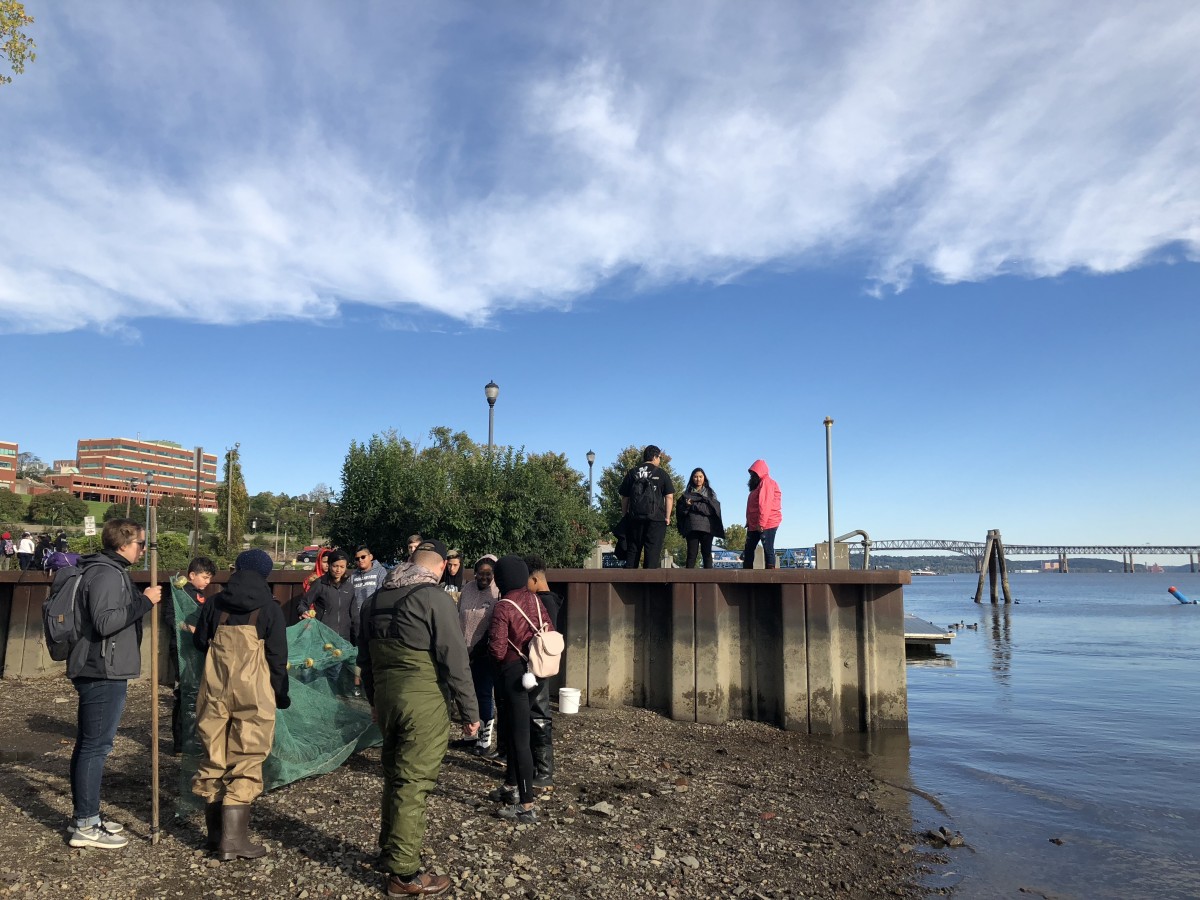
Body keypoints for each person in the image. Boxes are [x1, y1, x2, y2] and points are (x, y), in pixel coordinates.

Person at [358, 539, 479, 897]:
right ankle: (404, 875)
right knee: (413, 784)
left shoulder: (373, 600)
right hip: (422, 702)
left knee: (394, 776)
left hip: (387, 698)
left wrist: (375, 701)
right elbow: (455, 659)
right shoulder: (434, 598)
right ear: (440, 567)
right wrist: (470, 712)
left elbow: (364, 661)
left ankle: (389, 851)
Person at [66, 518, 162, 849]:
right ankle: (86, 825)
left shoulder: (109, 569)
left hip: (101, 668)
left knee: (89, 744)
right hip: (100, 670)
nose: (144, 549)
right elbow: (106, 622)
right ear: (123, 544)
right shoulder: (106, 573)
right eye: (140, 544)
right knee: (96, 747)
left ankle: (86, 816)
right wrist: (145, 601)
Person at [191, 549, 290, 860]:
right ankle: (233, 842)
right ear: (264, 574)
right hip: (254, 692)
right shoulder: (269, 608)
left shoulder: (215, 603)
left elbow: (199, 642)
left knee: (213, 753)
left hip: (216, 688)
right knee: (247, 755)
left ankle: (215, 837)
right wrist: (280, 692)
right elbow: (277, 658)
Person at [486, 555, 556, 823]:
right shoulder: (536, 600)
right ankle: (510, 787)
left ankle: (526, 805)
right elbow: (547, 629)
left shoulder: (504, 605)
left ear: (501, 578)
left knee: (518, 737)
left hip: (513, 675)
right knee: (519, 729)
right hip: (535, 671)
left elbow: (498, 649)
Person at [166, 556, 217, 755]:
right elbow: (171, 619)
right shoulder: (179, 592)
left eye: (210, 578)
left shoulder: (201, 595)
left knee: (199, 693)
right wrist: (191, 628)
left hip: (198, 649)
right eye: (204, 577)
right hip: (180, 649)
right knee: (183, 694)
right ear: (192, 575)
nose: (207, 582)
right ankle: (180, 742)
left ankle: (195, 737)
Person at [522, 555, 561, 788]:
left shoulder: (543, 602)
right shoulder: (550, 600)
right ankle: (538, 767)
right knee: (537, 713)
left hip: (538, 665)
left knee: (539, 714)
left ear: (535, 579)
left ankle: (545, 771)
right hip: (541, 665)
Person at [458, 555, 499, 757]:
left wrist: (479, 648)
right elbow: (459, 614)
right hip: (463, 651)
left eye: (488, 574)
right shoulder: (467, 588)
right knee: (466, 693)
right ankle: (469, 735)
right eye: (480, 573)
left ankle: (485, 739)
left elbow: (495, 625)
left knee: (483, 694)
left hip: (484, 653)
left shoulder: (497, 594)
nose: (483, 577)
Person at [618, 445, 676, 569]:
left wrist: (625, 515)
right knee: (652, 552)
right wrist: (667, 517)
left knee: (633, 550)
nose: (659, 460)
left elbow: (625, 497)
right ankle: (648, 586)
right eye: (659, 457)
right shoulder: (661, 474)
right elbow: (669, 497)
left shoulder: (632, 472)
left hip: (635, 518)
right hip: (656, 518)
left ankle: (628, 585)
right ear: (654, 457)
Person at [350, 545, 388, 695]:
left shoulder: (380, 572)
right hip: (358, 620)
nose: (360, 561)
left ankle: (376, 686)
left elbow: (381, 594)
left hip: (373, 619)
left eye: (363, 557)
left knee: (374, 653)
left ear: (370, 556)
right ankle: (357, 685)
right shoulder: (354, 576)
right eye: (357, 559)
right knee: (360, 653)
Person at [300, 549, 355, 641]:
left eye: (342, 567)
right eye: (335, 566)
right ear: (329, 565)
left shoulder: (349, 587)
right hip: (323, 636)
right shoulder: (320, 583)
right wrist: (304, 612)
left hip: (344, 637)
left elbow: (354, 615)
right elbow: (303, 603)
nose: (338, 570)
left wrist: (357, 636)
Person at [677, 468, 726, 569]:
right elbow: (681, 512)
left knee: (707, 553)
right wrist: (686, 506)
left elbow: (711, 510)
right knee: (691, 554)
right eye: (695, 477)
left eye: (700, 476)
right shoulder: (686, 494)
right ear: (692, 478)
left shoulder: (710, 494)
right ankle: (687, 580)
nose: (698, 479)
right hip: (691, 527)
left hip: (707, 528)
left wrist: (693, 505)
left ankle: (709, 580)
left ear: (704, 478)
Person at [743, 459, 782, 569]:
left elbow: (765, 504)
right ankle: (746, 579)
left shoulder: (767, 482)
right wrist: (749, 522)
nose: (751, 476)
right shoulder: (758, 485)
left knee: (768, 549)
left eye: (753, 474)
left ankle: (770, 579)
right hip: (755, 524)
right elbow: (753, 506)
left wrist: (761, 523)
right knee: (748, 550)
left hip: (767, 522)